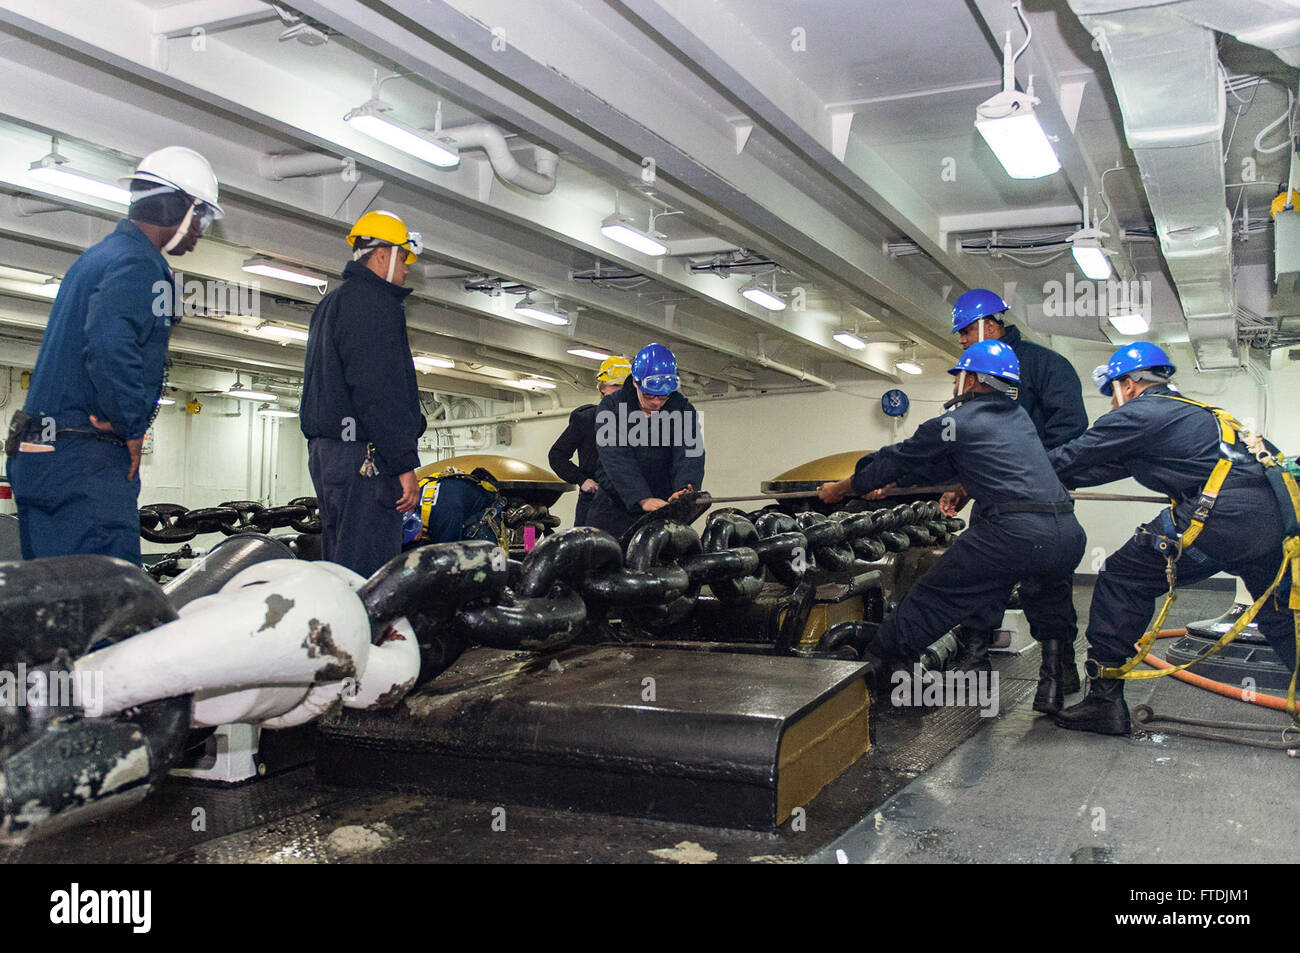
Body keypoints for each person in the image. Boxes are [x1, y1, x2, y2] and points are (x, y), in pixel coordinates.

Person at [1049, 343, 1300, 735]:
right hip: (1272, 524)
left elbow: (1071, 457)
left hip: (1219, 519)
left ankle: (1103, 701)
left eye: (1113, 393)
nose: (1113, 404)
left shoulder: (1139, 412)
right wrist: (1061, 480)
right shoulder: (1198, 414)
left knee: (1122, 576)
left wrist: (1012, 472)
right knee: (1281, 616)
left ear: (1129, 384)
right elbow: (1101, 467)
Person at [819, 341, 1085, 704]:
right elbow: (947, 465)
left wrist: (841, 488)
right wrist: (893, 485)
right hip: (1065, 532)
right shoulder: (1019, 419)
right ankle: (1057, 684)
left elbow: (897, 458)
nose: (955, 384)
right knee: (1050, 598)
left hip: (1012, 532)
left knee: (932, 598)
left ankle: (886, 675)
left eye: (958, 376)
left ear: (972, 379)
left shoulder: (954, 422)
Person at [6, 147, 222, 564]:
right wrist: (130, 426)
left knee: (54, 609)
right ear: (177, 205)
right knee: (107, 610)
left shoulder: (96, 258)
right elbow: (108, 343)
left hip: (39, 452)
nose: (201, 231)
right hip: (83, 463)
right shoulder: (140, 263)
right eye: (202, 217)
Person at [943, 288, 1089, 707]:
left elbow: (1071, 433)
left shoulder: (1047, 367)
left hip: (1041, 502)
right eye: (961, 335)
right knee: (979, 576)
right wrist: (962, 483)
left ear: (992, 323)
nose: (964, 340)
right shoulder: (970, 376)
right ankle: (974, 661)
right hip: (994, 501)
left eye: (968, 331)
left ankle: (1057, 672)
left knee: (1046, 585)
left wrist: (1024, 472)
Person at [300, 210, 426, 578]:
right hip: (364, 459)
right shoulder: (374, 304)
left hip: (330, 454)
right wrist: (403, 463)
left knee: (343, 562)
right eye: (403, 258)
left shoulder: (331, 304)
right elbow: (378, 391)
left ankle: (340, 632)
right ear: (383, 255)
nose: (406, 269)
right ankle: (365, 635)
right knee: (370, 570)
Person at [587, 343, 705, 539]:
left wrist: (685, 490)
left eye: (663, 397)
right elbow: (616, 457)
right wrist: (641, 498)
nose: (656, 403)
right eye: (649, 396)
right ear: (635, 382)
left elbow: (690, 453)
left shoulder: (682, 408)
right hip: (615, 508)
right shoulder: (611, 406)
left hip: (661, 506)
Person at [548, 355, 631, 526]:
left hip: (629, 503)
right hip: (594, 502)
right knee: (587, 550)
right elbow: (557, 455)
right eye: (615, 385)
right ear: (603, 388)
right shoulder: (586, 419)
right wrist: (582, 479)